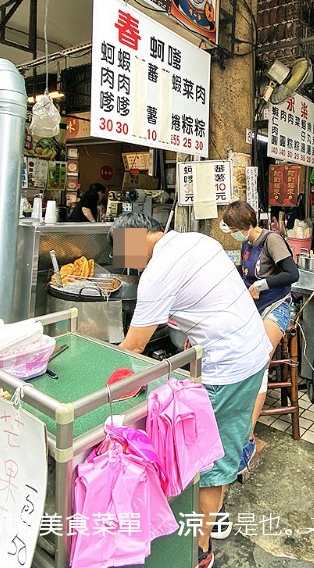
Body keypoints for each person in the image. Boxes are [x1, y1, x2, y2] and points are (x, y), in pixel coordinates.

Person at [112, 213, 272, 568]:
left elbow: (133, 347)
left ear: (136, 240)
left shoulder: (157, 274)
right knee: (225, 442)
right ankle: (213, 510)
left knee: (207, 457)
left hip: (228, 367)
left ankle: (199, 550)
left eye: (124, 252)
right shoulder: (196, 240)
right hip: (253, 351)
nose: (127, 263)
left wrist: (105, 378)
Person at [221, 200, 299, 476]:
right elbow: (245, 279)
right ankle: (236, 427)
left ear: (245, 225)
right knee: (239, 361)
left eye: (233, 228)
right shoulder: (246, 245)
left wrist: (262, 284)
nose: (232, 233)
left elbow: (292, 274)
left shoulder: (271, 240)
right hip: (253, 309)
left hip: (276, 308)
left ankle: (247, 439)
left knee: (258, 363)